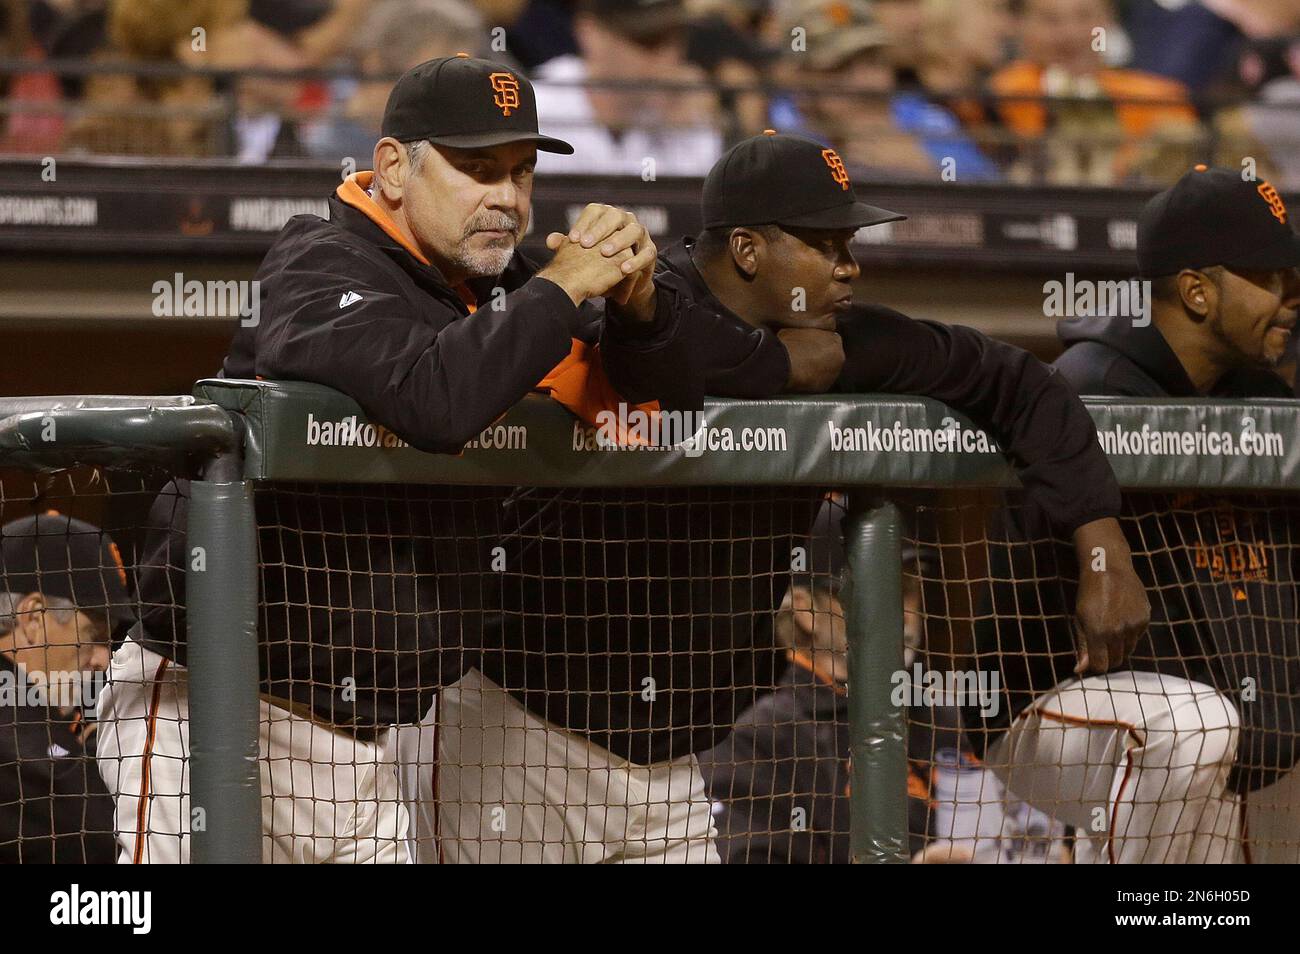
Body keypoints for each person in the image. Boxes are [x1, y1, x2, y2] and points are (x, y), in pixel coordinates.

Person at [102, 54, 782, 864]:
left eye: (523, 173)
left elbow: (669, 398)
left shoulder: (510, 290)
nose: (507, 197)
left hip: (383, 739)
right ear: (392, 166)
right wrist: (561, 288)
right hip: (218, 714)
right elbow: (434, 399)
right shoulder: (318, 263)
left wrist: (641, 306)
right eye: (476, 169)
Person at [409, 130, 1150, 864]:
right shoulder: (637, 299)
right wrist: (774, 365)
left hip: (672, 761)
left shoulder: (834, 338)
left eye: (849, 243)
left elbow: (1016, 382)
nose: (850, 266)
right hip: (519, 730)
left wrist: (1098, 539)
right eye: (825, 245)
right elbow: (656, 354)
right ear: (748, 250)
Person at [969, 165, 1300, 863]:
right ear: (1197, 291)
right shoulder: (1085, 387)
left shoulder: (1259, 396)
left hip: (1201, 716)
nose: (1290, 297)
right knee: (1193, 727)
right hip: (1045, 701)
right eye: (1269, 279)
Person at [697, 498, 1069, 864]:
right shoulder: (756, 740)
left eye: (906, 590)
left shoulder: (946, 717)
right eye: (874, 591)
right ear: (805, 609)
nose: (902, 613)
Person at [0, 513, 132, 864]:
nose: (103, 659)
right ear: (34, 618)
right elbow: (94, 830)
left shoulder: (48, 708)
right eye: (93, 636)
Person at [988, 0, 1199, 184]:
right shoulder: (998, 96)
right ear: (1020, 24)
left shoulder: (1159, 98)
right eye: (1050, 19)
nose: (1070, 34)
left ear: (1108, 20)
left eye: (1085, 16)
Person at [532, 0, 724, 176]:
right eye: (647, 41)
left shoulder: (687, 111)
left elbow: (693, 209)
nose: (668, 57)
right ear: (590, 33)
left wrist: (692, 129)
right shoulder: (536, 108)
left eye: (675, 38)